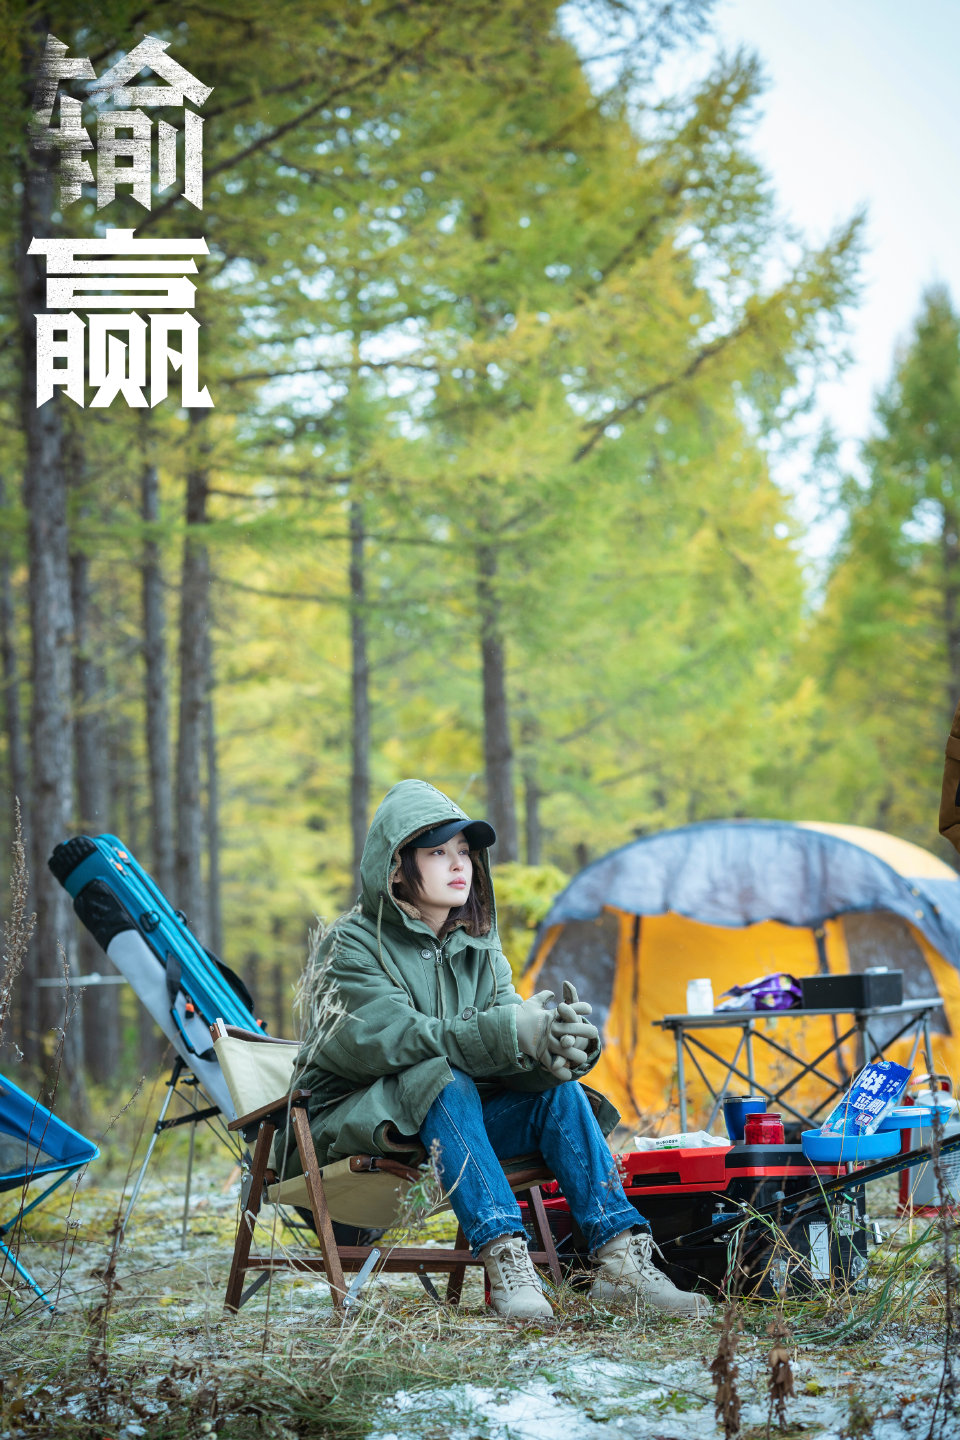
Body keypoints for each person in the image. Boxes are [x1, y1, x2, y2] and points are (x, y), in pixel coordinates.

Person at [291, 778, 710, 1321]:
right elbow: (389, 1041)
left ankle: (622, 1262)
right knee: (443, 1077)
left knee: (556, 1093)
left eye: (464, 851)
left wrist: (559, 1050)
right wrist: (509, 1033)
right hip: (351, 1125)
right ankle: (507, 1259)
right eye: (437, 852)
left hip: (451, 1126)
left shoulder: (480, 948)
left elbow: (507, 1045)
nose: (458, 864)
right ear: (396, 868)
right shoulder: (349, 945)